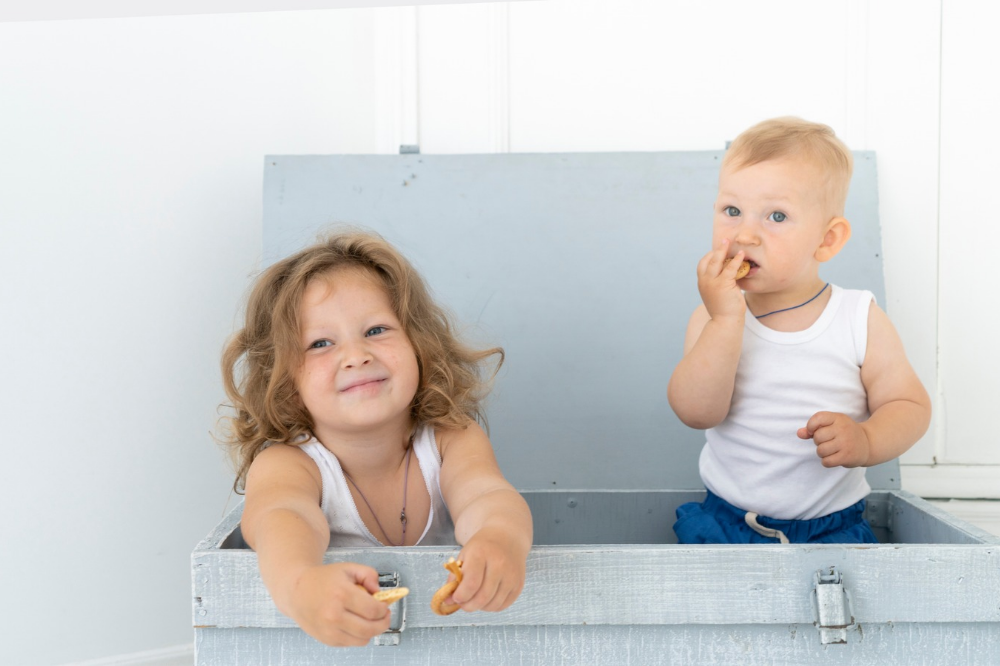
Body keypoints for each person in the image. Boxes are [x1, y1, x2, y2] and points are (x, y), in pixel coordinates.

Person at [220, 230, 532, 646]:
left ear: (418, 343)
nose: (356, 356)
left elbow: (487, 496)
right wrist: (300, 585)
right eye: (320, 343)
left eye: (376, 330)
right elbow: (281, 517)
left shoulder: (451, 438)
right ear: (285, 380)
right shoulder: (288, 463)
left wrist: (501, 539)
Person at [667, 117, 931, 545]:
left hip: (831, 529)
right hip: (726, 524)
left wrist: (867, 439)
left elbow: (909, 404)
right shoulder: (712, 317)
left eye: (776, 216)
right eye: (732, 211)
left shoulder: (856, 317)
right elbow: (697, 413)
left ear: (826, 240)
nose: (745, 233)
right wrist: (726, 321)